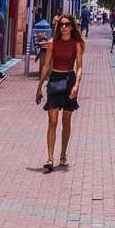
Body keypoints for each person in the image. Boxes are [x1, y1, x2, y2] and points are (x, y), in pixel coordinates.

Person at [38, 13, 86, 173]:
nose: (64, 27)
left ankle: (63, 154)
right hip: (55, 79)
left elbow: (79, 67)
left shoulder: (76, 44)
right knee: (52, 120)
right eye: (61, 24)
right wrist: (39, 87)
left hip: (69, 80)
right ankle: (50, 159)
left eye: (66, 24)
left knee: (66, 120)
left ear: (72, 27)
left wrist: (77, 84)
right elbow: (46, 66)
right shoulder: (52, 43)